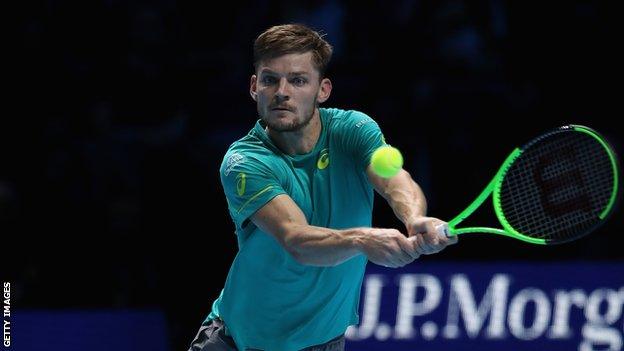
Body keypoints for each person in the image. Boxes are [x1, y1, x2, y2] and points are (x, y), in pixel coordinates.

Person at [188, 23, 457, 351]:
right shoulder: (245, 161)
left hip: (322, 343)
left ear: (323, 90)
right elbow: (296, 239)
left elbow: (395, 179)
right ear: (254, 87)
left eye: (298, 80)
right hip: (235, 342)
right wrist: (362, 240)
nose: (282, 92)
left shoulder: (353, 130)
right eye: (271, 80)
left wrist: (414, 218)